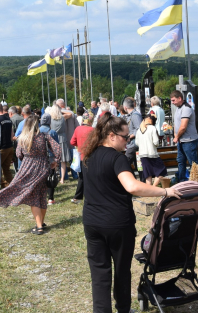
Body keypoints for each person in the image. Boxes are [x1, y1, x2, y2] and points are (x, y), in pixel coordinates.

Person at [81, 113, 181, 313]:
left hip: (92, 222)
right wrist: (165, 191)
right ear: (111, 136)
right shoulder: (117, 158)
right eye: (125, 137)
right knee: (121, 270)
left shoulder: (89, 156)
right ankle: (123, 309)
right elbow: (132, 186)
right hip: (117, 224)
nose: (128, 141)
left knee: (99, 273)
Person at [0, 116, 60, 234]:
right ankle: (41, 223)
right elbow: (58, 149)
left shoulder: (23, 138)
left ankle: (39, 227)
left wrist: (27, 157)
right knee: (41, 196)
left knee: (33, 198)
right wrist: (55, 161)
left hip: (28, 168)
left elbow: (19, 154)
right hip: (43, 168)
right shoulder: (44, 136)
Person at [171, 91, 198, 183]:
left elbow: (183, 127)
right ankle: (182, 180)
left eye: (173, 100)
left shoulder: (186, 108)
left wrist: (176, 137)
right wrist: (176, 135)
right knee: (180, 161)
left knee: (193, 163)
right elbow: (176, 124)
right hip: (181, 140)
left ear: (180, 98)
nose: (172, 102)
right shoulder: (178, 108)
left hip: (189, 140)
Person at [135, 115, 168, 188]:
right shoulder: (153, 128)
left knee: (148, 174)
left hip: (142, 154)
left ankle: (148, 189)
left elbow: (136, 142)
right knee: (161, 170)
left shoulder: (139, 130)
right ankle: (154, 187)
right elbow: (156, 142)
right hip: (152, 154)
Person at [38, 113, 61, 205]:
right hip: (51, 157)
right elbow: (57, 147)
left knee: (41, 177)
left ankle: (41, 197)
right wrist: (57, 159)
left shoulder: (37, 131)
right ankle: (50, 198)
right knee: (51, 176)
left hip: (40, 157)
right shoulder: (52, 132)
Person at [70, 115, 93, 204]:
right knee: (90, 177)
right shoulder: (93, 130)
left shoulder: (78, 129)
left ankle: (78, 197)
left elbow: (72, 142)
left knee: (82, 177)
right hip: (91, 156)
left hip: (81, 156)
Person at [49, 105, 72, 184]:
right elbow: (70, 114)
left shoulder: (50, 119)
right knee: (63, 161)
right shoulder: (62, 117)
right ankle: (62, 178)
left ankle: (54, 176)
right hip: (62, 139)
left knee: (53, 159)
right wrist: (62, 110)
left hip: (53, 139)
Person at [0, 104, 15, 188]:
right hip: (10, 146)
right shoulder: (8, 119)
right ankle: (12, 186)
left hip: (2, 148)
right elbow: (12, 134)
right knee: (6, 169)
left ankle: (5, 185)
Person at [122, 97, 142, 178]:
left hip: (134, 145)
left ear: (125, 107)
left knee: (125, 162)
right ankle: (142, 180)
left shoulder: (135, 116)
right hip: (132, 144)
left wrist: (130, 136)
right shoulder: (133, 115)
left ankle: (134, 179)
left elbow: (139, 129)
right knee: (138, 165)